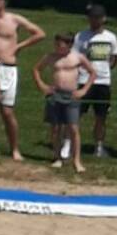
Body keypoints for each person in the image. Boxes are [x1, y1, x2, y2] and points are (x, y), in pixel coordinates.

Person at [0, 0, 46, 162]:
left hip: (8, 66)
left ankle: (15, 149)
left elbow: (40, 33)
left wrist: (19, 46)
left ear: (4, 2)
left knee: (7, 111)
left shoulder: (14, 19)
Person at [33, 33, 92, 175]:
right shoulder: (50, 57)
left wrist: (84, 90)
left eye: (60, 44)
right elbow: (36, 69)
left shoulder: (77, 57)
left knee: (73, 128)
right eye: (56, 44)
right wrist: (42, 85)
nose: (57, 47)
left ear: (69, 45)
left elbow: (92, 72)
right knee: (55, 127)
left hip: (71, 95)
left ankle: (76, 160)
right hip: (55, 94)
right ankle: (57, 156)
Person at [74, 5, 117, 158]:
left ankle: (99, 146)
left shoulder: (111, 37)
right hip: (84, 80)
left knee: (101, 116)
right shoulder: (81, 36)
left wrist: (105, 70)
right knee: (76, 114)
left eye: (98, 17)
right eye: (92, 17)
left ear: (104, 18)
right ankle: (70, 142)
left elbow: (114, 58)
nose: (95, 20)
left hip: (103, 82)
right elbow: (75, 57)